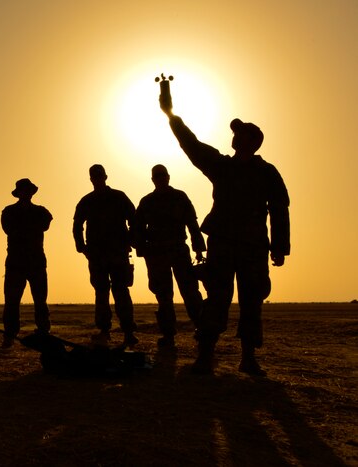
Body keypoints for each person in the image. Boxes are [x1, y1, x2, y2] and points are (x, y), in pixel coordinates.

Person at [160, 91, 290, 376]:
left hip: (250, 247)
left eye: (237, 133)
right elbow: (190, 144)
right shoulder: (225, 166)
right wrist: (171, 116)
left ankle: (245, 358)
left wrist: (279, 246)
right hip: (228, 245)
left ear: (245, 141)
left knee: (250, 300)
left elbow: (280, 208)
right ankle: (207, 357)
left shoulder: (260, 172)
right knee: (219, 298)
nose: (233, 137)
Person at [132, 164, 206, 347]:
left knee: (189, 292)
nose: (160, 179)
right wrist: (141, 249)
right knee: (164, 296)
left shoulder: (178, 197)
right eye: (157, 176)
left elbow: (192, 224)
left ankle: (202, 330)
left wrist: (198, 249)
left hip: (176, 251)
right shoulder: (148, 202)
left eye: (161, 175)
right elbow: (137, 229)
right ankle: (169, 335)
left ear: (167, 177)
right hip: (158, 253)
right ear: (154, 179)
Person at [73, 164, 138, 348]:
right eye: (94, 176)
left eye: (99, 176)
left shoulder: (119, 197)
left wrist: (131, 241)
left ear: (105, 177)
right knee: (102, 292)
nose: (97, 179)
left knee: (121, 291)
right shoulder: (87, 201)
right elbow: (77, 225)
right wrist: (82, 248)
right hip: (97, 255)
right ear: (91, 179)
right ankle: (105, 330)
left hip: (117, 254)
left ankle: (127, 331)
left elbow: (134, 219)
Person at [0, 178, 52, 348]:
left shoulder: (41, 212)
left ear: (31, 192)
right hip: (16, 262)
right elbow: (10, 229)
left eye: (28, 190)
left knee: (40, 299)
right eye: (23, 190)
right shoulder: (8, 211)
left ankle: (44, 331)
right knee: (12, 301)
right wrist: (29, 227)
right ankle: (9, 334)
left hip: (36, 261)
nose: (26, 193)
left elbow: (44, 224)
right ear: (19, 192)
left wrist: (24, 228)